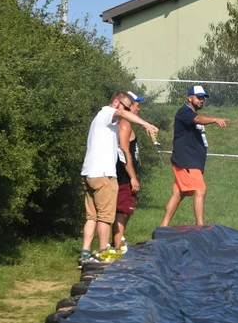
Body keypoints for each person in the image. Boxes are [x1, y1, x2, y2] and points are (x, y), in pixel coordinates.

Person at [81, 91, 159, 267]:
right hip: (102, 175)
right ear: (116, 102)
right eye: (125, 107)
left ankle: (85, 254)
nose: (127, 111)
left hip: (89, 172)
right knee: (105, 217)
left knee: (92, 217)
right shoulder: (107, 113)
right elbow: (122, 114)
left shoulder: (103, 120)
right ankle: (103, 254)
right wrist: (147, 124)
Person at [159, 85, 228, 227]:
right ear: (189, 97)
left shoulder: (191, 113)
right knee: (200, 190)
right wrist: (214, 119)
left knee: (178, 194)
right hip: (187, 162)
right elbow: (197, 119)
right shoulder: (184, 111)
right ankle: (200, 227)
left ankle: (163, 227)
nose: (201, 100)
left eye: (203, 98)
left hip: (192, 162)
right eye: (198, 97)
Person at [112, 90, 146, 254]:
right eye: (136, 105)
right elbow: (124, 151)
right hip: (124, 176)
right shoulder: (124, 124)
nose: (138, 108)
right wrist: (132, 177)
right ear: (128, 106)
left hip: (127, 175)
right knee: (123, 210)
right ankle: (118, 245)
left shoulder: (126, 124)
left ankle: (119, 240)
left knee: (126, 210)